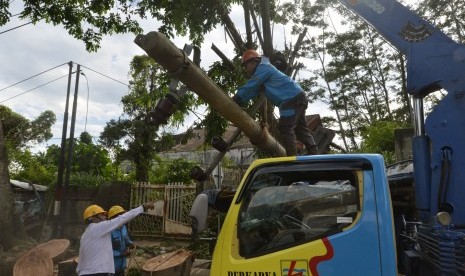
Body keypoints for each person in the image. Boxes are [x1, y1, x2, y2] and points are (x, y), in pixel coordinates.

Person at [232, 49, 319, 156]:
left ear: (253, 61)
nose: (246, 69)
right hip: (297, 96)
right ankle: (315, 155)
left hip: (291, 98)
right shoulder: (263, 71)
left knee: (285, 127)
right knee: (301, 131)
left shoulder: (264, 68)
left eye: (246, 65)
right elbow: (252, 90)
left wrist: (237, 97)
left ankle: (292, 159)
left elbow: (252, 84)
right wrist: (241, 100)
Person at [76, 202, 155, 276]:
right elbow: (122, 219)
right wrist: (143, 207)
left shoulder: (86, 234)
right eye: (101, 215)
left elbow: (82, 256)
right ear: (93, 218)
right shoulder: (99, 227)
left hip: (87, 272)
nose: (105, 217)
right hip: (97, 272)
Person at [108, 205, 135, 276]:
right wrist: (121, 254)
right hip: (111, 268)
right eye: (120, 216)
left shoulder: (123, 227)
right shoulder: (109, 231)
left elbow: (125, 238)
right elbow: (106, 251)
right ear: (113, 218)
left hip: (122, 265)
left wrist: (130, 243)